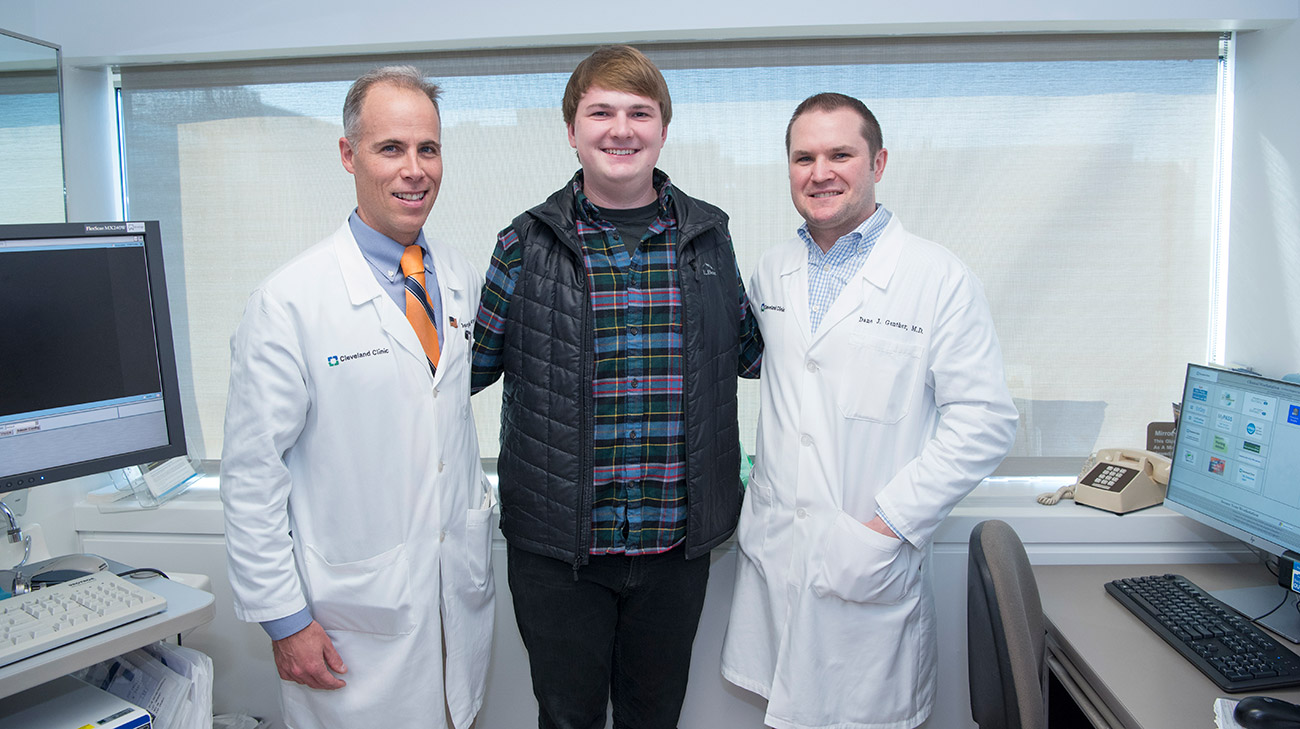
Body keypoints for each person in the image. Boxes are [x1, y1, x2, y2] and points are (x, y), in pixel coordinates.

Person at [471, 45, 762, 729]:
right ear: (572, 129)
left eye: (639, 111)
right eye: (600, 111)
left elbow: (750, 353)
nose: (620, 128)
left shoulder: (709, 241)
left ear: (663, 128)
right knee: (568, 718)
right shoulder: (523, 245)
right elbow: (456, 375)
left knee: (654, 716)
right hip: (558, 553)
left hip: (674, 549)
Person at [721, 92, 1019, 729]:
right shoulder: (772, 271)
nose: (820, 172)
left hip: (868, 558)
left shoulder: (937, 277)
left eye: (840, 154)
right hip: (779, 554)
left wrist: (887, 526)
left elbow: (985, 421)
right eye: (804, 157)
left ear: (878, 161)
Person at [220, 66, 494, 729]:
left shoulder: (458, 276)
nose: (414, 170)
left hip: (451, 601)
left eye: (428, 149)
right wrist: (286, 622)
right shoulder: (291, 301)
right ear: (349, 154)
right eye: (391, 148)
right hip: (349, 624)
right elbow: (253, 477)